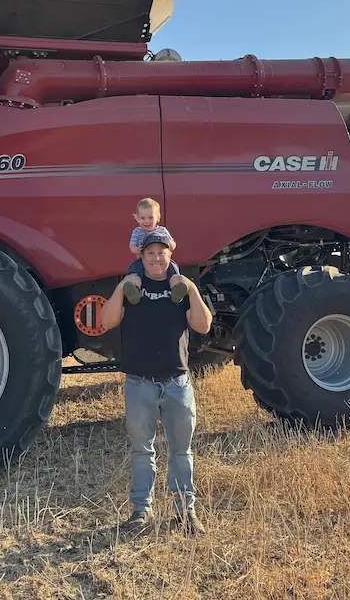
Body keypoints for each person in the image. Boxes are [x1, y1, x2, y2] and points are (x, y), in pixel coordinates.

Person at [101, 230, 213, 534]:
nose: (156, 258)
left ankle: (185, 513)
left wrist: (192, 291)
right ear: (142, 256)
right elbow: (106, 321)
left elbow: (202, 324)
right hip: (140, 385)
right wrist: (120, 288)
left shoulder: (180, 288)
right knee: (142, 451)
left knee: (181, 451)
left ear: (170, 255)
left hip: (177, 384)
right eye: (150, 253)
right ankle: (140, 511)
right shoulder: (131, 289)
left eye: (161, 252)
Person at [120, 197, 186, 305]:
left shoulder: (162, 231)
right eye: (143, 218)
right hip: (143, 261)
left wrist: (170, 245)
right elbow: (131, 246)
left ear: (158, 217)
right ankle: (133, 291)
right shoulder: (137, 232)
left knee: (174, 272)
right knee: (134, 274)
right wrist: (137, 250)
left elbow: (173, 244)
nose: (147, 221)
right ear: (136, 218)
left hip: (162, 262)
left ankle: (177, 290)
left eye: (150, 217)